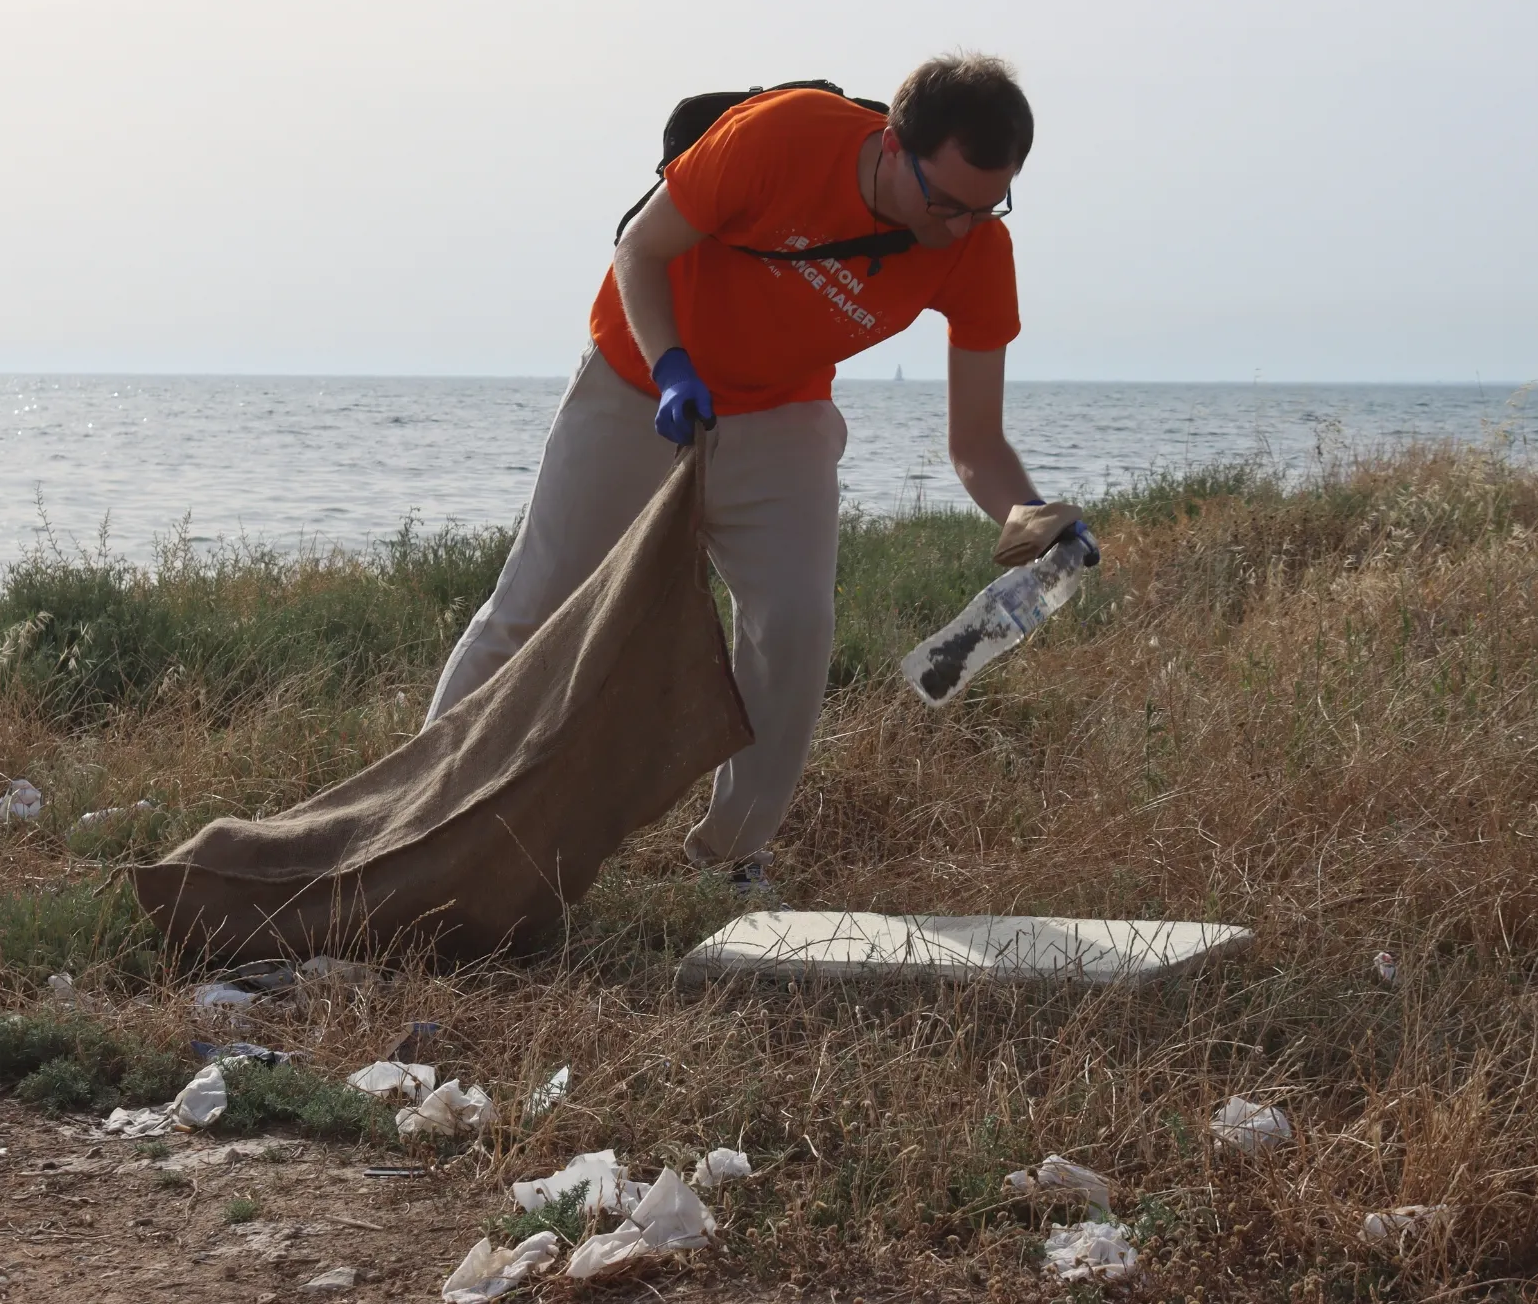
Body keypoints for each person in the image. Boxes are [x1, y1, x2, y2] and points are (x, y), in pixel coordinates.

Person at [427, 52, 1068, 890]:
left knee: (795, 625)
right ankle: (425, 815)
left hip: (780, 411)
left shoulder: (978, 246)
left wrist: (1031, 517)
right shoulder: (781, 137)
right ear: (890, 144)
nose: (957, 227)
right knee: (537, 602)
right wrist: (670, 366)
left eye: (987, 206)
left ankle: (728, 861)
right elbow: (640, 250)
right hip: (640, 377)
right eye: (943, 201)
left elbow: (977, 444)